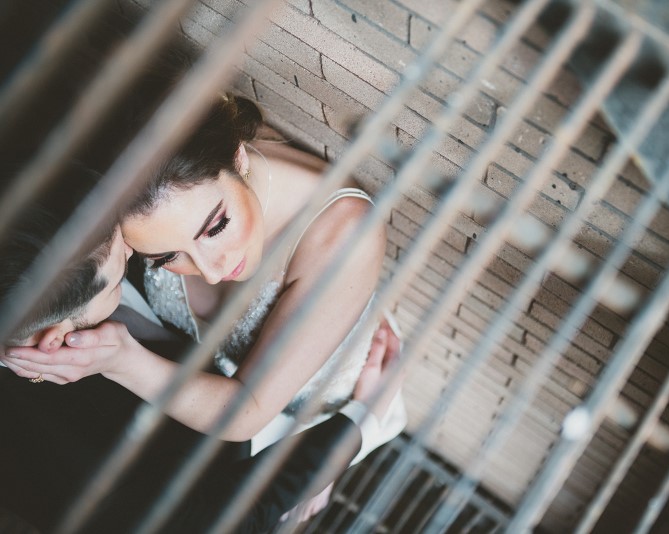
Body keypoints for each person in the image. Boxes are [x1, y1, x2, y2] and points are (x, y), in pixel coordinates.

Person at [0, 171, 403, 532]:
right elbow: (234, 517)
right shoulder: (91, 492)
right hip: (228, 462)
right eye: (113, 279)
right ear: (55, 339)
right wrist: (357, 426)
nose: (129, 249)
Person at [5, 94, 407, 456]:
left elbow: (247, 412)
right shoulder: (126, 210)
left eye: (215, 227)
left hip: (309, 412)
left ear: (238, 158)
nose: (212, 272)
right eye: (165, 257)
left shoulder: (345, 234)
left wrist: (120, 361)